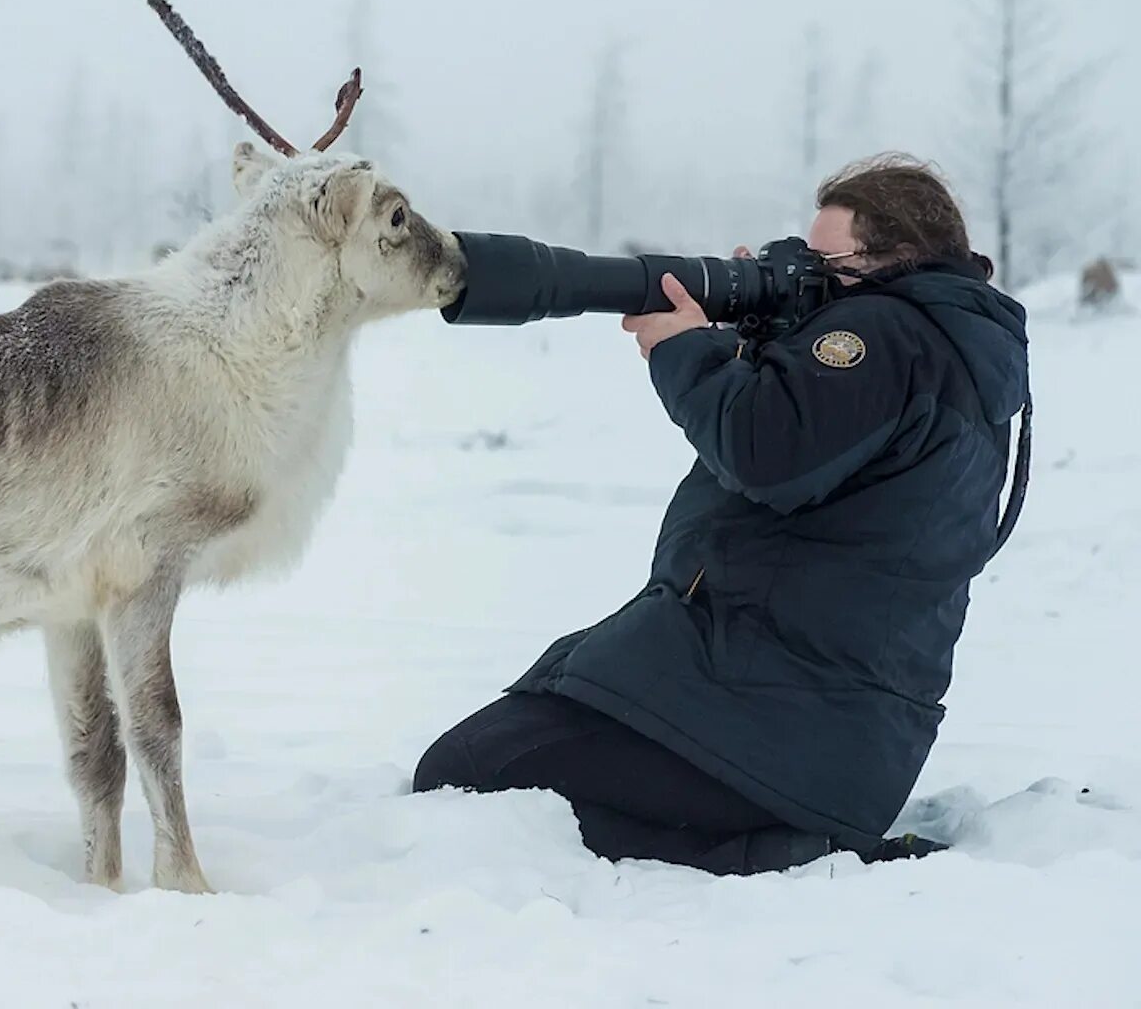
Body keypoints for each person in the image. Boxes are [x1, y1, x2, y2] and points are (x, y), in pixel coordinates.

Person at [413, 153, 1031, 875]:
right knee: (479, 769)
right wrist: (762, 344)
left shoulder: (883, 336)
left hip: (777, 724)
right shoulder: (945, 345)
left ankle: (778, 852)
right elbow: (817, 463)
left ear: (897, 257)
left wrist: (687, 352)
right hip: (810, 719)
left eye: (826, 263)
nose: (809, 278)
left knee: (464, 777)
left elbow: (763, 451)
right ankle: (776, 837)